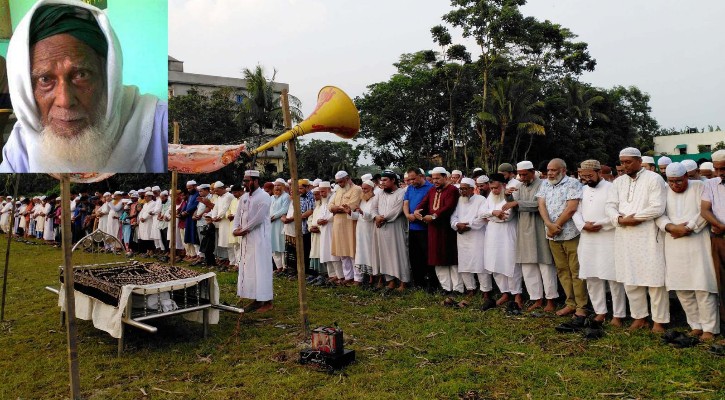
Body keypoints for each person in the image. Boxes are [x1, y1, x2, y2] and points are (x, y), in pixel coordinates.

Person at [0, 0, 167, 172]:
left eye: (81, 75)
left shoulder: (160, 124)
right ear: (26, 89)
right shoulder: (22, 140)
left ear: (109, 75)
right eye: (45, 80)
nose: (65, 100)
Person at [605, 147, 669, 332]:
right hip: (625, 235)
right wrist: (619, 219)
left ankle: (659, 321)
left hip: (648, 235)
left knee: (655, 280)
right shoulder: (618, 182)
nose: (624, 166)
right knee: (630, 278)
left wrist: (635, 218)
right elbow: (610, 205)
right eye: (622, 162)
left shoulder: (654, 179)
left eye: (628, 162)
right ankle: (639, 317)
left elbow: (657, 207)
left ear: (639, 161)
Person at [657, 163, 719, 340]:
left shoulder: (699, 186)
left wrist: (689, 227)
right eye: (671, 181)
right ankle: (695, 325)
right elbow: (658, 214)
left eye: (678, 181)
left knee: (703, 287)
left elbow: (705, 211)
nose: (675, 185)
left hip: (698, 243)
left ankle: (710, 329)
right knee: (682, 288)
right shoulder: (663, 190)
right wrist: (670, 227)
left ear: (687, 177)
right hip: (673, 243)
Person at [573, 160, 626, 326]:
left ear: (599, 172)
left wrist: (600, 224)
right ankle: (600, 312)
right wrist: (583, 225)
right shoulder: (581, 190)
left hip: (607, 238)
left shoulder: (612, 188)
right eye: (583, 176)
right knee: (592, 276)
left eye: (590, 175)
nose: (587, 179)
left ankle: (618, 315)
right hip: (588, 239)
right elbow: (576, 212)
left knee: (613, 278)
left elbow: (618, 212)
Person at [503, 161, 558, 312]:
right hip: (524, 229)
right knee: (528, 266)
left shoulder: (544, 184)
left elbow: (540, 205)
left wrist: (515, 202)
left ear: (532, 172)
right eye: (519, 174)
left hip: (540, 228)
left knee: (546, 266)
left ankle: (551, 300)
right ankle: (536, 298)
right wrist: (507, 196)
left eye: (524, 174)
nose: (521, 177)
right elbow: (513, 204)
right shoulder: (519, 186)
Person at [537, 158, 587, 322]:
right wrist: (548, 224)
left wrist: (556, 225)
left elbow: (572, 208)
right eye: (548, 169)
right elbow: (541, 205)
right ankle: (570, 303)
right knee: (562, 270)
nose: (550, 173)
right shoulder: (544, 184)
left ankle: (581, 307)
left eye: (554, 170)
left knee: (576, 270)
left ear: (563, 170)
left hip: (570, 233)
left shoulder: (572, 183)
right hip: (552, 234)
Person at [414, 167, 461, 296]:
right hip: (433, 230)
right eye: (433, 178)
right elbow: (424, 202)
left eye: (437, 178)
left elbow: (449, 207)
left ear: (445, 177)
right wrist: (417, 210)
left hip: (447, 230)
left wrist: (434, 216)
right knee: (437, 259)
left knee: (451, 260)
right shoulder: (432, 190)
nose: (435, 181)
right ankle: (446, 288)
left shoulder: (452, 190)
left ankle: (457, 289)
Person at [233, 170, 273, 313]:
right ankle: (255, 298)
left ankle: (267, 300)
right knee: (249, 267)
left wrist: (243, 230)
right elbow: (238, 215)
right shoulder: (244, 197)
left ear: (256, 181)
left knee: (261, 268)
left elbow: (258, 219)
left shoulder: (264, 196)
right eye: (244, 180)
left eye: (247, 180)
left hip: (259, 238)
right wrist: (235, 229)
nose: (244, 183)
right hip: (246, 239)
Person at [482, 174, 521, 308]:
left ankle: (517, 295)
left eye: (497, 188)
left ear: (504, 185)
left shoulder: (511, 195)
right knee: (495, 264)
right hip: (492, 235)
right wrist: (493, 213)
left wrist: (491, 215)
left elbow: (507, 217)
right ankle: (505, 292)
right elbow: (481, 213)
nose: (494, 191)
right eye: (491, 188)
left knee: (510, 264)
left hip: (507, 234)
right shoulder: (490, 196)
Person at [451, 178, 491, 307]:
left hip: (477, 235)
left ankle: (485, 290)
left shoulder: (481, 200)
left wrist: (468, 226)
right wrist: (457, 225)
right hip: (462, 236)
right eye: (460, 188)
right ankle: (470, 288)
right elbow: (453, 217)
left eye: (464, 188)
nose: (462, 191)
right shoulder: (458, 200)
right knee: (464, 262)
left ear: (472, 188)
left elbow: (483, 217)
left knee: (480, 263)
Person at [370, 171, 410, 291]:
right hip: (381, 229)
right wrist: (375, 217)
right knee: (385, 256)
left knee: (400, 254)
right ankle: (390, 282)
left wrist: (382, 219)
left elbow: (397, 210)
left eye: (385, 180)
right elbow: (373, 207)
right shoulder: (379, 193)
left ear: (393, 180)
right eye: (381, 180)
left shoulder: (402, 193)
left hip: (395, 229)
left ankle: (403, 283)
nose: (382, 183)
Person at [700, 149, 725, 335]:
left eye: (723, 169)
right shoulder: (710, 184)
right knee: (722, 284)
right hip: (719, 240)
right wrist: (718, 225)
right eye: (717, 169)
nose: (720, 173)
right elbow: (705, 210)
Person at [403, 167, 435, 290]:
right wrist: (407, 215)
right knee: (414, 257)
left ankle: (431, 284)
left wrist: (419, 216)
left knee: (427, 256)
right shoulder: (410, 188)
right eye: (409, 179)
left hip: (425, 228)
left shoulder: (431, 188)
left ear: (421, 176)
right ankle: (418, 283)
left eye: (413, 179)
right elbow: (405, 203)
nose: (411, 182)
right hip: (413, 228)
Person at [329, 171, 363, 284]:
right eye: (338, 182)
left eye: (341, 181)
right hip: (338, 224)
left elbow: (352, 206)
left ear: (348, 178)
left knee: (352, 251)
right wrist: (340, 209)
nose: (340, 184)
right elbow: (330, 206)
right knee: (342, 252)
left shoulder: (357, 189)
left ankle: (358, 278)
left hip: (350, 224)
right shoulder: (337, 190)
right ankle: (348, 277)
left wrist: (336, 209)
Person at [346, 180, 376, 286]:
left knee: (370, 253)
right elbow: (358, 216)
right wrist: (350, 212)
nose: (363, 191)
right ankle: (365, 277)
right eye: (362, 188)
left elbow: (373, 216)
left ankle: (373, 279)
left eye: (366, 188)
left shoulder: (375, 199)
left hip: (370, 230)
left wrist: (363, 212)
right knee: (362, 253)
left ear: (372, 189)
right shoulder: (362, 201)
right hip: (360, 231)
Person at [210, 182, 234, 268]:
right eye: (215, 191)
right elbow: (215, 208)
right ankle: (230, 261)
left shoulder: (229, 196)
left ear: (222, 188)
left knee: (230, 242)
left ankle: (233, 262)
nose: (216, 192)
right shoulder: (218, 198)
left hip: (228, 221)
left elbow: (225, 208)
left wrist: (218, 216)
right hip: (221, 223)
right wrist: (213, 217)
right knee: (226, 243)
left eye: (217, 191)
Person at [270, 179, 291, 272]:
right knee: (273, 245)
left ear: (283, 187)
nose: (277, 187)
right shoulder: (271, 198)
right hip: (271, 224)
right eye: (275, 185)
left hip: (280, 223)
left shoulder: (286, 196)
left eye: (279, 185)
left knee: (282, 244)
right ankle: (278, 267)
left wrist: (273, 216)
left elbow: (284, 209)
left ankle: (284, 267)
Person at [181, 181, 199, 261]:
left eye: (190, 188)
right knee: (188, 236)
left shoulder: (198, 194)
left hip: (193, 218)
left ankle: (196, 255)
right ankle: (192, 254)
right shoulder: (190, 196)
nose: (188, 190)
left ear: (195, 186)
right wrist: (183, 211)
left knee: (194, 236)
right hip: (188, 218)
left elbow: (195, 205)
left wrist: (187, 211)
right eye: (187, 188)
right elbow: (187, 205)